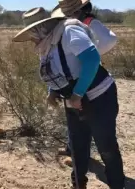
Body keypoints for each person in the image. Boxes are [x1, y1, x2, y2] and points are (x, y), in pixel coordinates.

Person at [12, 7, 129, 189]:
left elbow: (92, 60)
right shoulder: (46, 43)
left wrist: (78, 93)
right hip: (74, 99)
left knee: (106, 148)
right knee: (77, 147)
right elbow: (56, 69)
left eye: (33, 32)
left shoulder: (68, 32)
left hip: (99, 97)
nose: (31, 38)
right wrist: (53, 91)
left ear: (43, 27)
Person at [52, 0, 118, 166]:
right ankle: (73, 149)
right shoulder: (70, 25)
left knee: (87, 118)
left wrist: (89, 56)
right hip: (75, 78)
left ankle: (111, 177)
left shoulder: (90, 23)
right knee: (76, 119)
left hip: (90, 80)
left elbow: (110, 40)